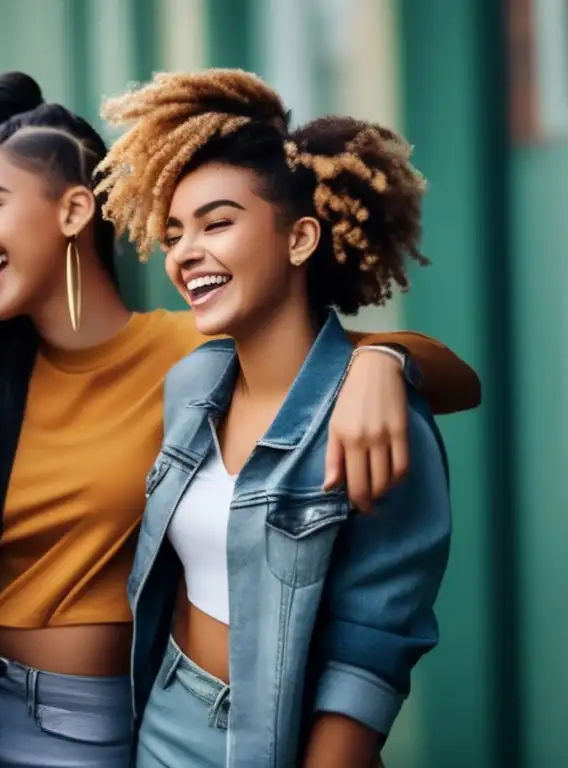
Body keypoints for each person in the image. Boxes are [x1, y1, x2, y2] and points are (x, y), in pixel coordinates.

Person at [0, 71, 479, 768]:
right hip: (53, 708)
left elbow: (326, 357)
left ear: (75, 212)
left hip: (146, 724)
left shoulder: (182, 353)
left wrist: (385, 363)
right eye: (173, 233)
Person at [95, 69, 453, 767]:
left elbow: (371, 654)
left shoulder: (380, 417)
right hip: (162, 717)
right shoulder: (191, 384)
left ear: (300, 240)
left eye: (217, 223)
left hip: (279, 741)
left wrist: (384, 363)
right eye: (173, 233)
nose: (185, 253)